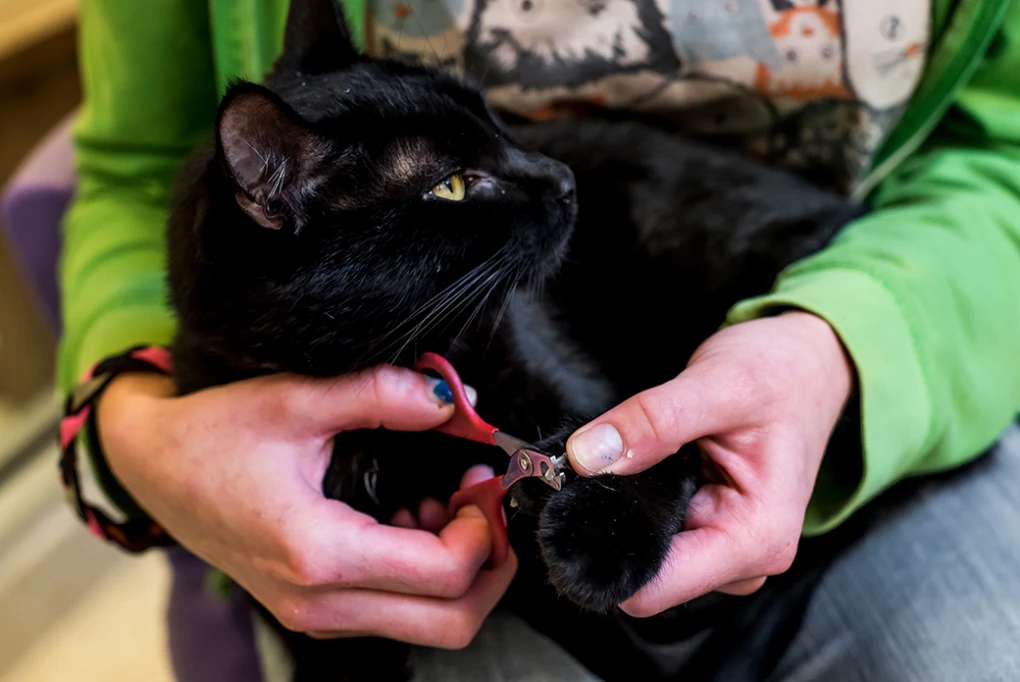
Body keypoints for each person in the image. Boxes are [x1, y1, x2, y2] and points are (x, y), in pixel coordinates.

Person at [58, 0, 1020, 680]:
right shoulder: (321, 228)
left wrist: (844, 349)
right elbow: (140, 168)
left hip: (870, 358)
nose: (552, 177)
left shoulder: (493, 312)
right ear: (279, 195)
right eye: (456, 183)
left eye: (501, 136)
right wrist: (131, 438)